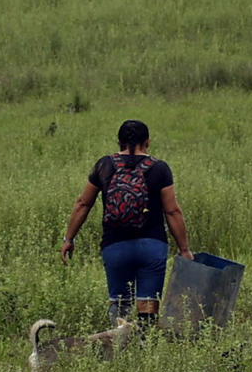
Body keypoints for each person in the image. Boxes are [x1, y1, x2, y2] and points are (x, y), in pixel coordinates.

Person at [60, 119, 192, 330]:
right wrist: (184, 249)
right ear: (147, 142)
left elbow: (83, 204)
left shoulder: (104, 165)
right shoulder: (160, 169)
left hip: (115, 246)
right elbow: (172, 211)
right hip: (152, 246)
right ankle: (145, 344)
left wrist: (69, 239)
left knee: (120, 305)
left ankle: (119, 342)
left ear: (119, 142)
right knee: (148, 304)